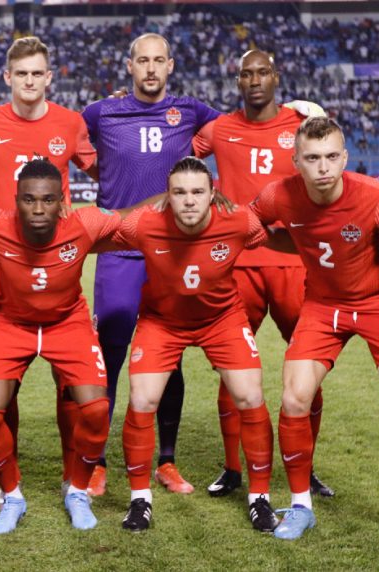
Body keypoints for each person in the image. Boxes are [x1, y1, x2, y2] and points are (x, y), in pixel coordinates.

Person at [249, 117, 379, 550]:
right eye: (312, 158)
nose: (323, 167)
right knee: (293, 398)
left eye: (331, 157)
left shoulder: (378, 198)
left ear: (345, 158)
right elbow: (251, 225)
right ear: (296, 162)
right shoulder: (279, 195)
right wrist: (296, 245)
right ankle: (301, 506)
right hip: (322, 305)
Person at [0, 159, 120, 533]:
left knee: (95, 409)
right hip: (11, 324)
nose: (39, 209)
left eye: (47, 200)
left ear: (62, 201)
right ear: (16, 201)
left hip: (68, 323)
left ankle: (77, 491)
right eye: (29, 200)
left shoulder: (85, 223)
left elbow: (132, 216)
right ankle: (13, 496)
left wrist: (197, 197)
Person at [0, 36, 99, 504]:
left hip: (58, 266)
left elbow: (104, 173)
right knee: (1, 383)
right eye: (21, 74)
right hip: (2, 268)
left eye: (38, 74)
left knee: (69, 381)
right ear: (7, 78)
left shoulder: (70, 124)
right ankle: (5, 485)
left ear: (50, 77)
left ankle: (75, 478)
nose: (30, 82)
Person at [80, 33, 220, 496]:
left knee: (169, 356)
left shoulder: (193, 111)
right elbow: (56, 131)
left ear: (172, 64)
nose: (151, 68)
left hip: (170, 254)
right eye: (143, 61)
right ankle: (97, 462)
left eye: (159, 60)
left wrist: (298, 109)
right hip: (118, 251)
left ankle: (167, 460)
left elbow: (244, 129)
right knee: (110, 356)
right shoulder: (101, 113)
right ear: (129, 65)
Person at [192, 49, 334, 498]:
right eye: (246, 74)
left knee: (307, 372)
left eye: (262, 73)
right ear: (237, 81)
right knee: (232, 371)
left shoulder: (299, 123)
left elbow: (329, 155)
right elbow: (178, 156)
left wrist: (319, 115)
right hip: (237, 268)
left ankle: (305, 467)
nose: (255, 81)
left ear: (276, 77)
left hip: (295, 264)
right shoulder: (219, 129)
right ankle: (234, 469)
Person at [115, 156, 279, 533]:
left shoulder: (239, 221)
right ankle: (140, 499)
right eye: (179, 193)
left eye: (197, 192)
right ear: (167, 196)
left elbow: (271, 235)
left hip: (221, 320)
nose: (189, 200)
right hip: (162, 323)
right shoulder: (145, 223)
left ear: (212, 195)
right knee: (141, 400)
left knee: (251, 397)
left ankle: (260, 498)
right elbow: (96, 235)